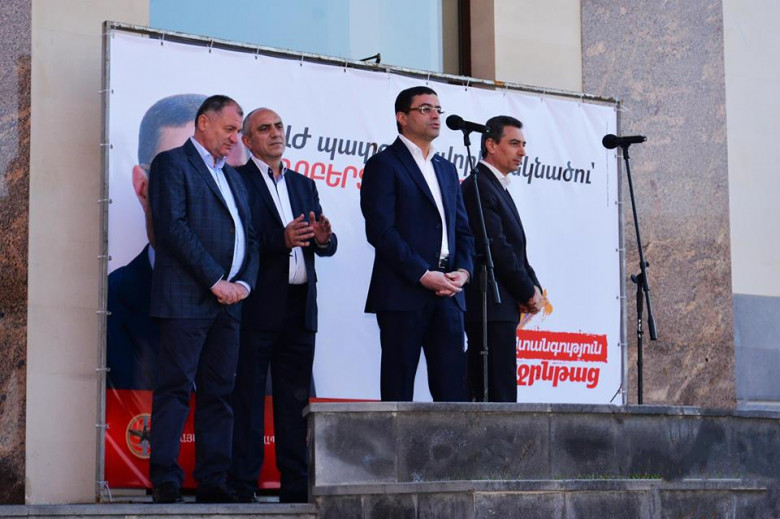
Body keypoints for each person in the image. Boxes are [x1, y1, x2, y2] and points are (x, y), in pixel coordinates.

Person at [147, 95, 259, 504]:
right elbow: (172, 228)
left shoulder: (233, 177)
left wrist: (243, 284)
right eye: (229, 129)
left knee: (219, 393)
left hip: (229, 304)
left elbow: (251, 238)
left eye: (238, 131)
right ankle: (166, 479)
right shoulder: (172, 164)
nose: (235, 138)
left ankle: (213, 479)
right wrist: (216, 280)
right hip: (186, 299)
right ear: (204, 123)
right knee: (175, 389)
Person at [229, 108, 337, 503]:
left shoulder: (303, 184)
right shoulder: (236, 180)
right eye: (264, 129)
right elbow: (238, 240)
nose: (275, 133)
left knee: (295, 403)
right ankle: (243, 485)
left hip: (299, 307)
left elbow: (322, 245)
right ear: (247, 140)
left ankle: (295, 486)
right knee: (248, 399)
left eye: (278, 126)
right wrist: (282, 239)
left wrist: (323, 240)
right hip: (257, 306)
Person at [107, 93, 247, 391]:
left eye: (224, 174)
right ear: (143, 188)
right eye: (184, 180)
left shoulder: (263, 313)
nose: (214, 201)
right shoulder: (108, 304)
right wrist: (214, 279)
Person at [360, 86, 475, 402]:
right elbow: (381, 231)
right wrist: (422, 274)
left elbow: (463, 231)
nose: (435, 115)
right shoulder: (384, 164)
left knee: (453, 393)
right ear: (402, 117)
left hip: (449, 293)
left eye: (438, 108)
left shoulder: (446, 169)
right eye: (425, 109)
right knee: (398, 392)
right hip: (403, 294)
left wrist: (464, 271)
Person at [461, 115, 543, 402]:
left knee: (502, 390)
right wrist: (526, 291)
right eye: (514, 143)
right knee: (496, 393)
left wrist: (535, 288)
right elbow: (496, 247)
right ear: (491, 145)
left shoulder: (497, 186)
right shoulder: (478, 185)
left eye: (523, 144)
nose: (522, 152)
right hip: (489, 306)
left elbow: (517, 249)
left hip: (503, 305)